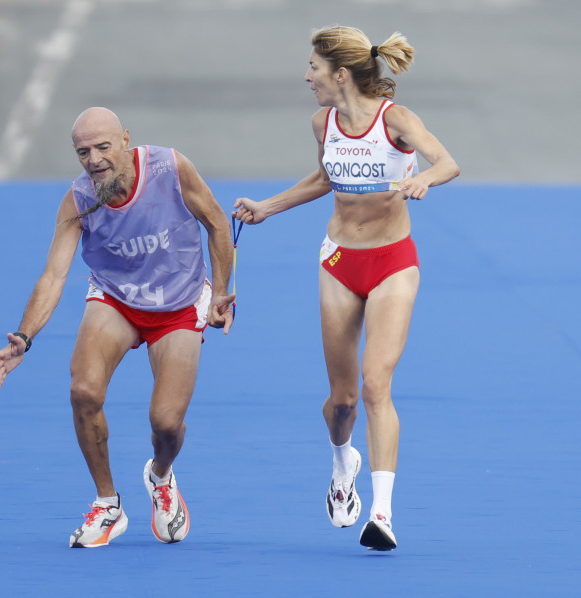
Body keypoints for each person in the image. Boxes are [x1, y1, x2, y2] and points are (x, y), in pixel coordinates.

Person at [233, 26, 459, 550]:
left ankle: (381, 514)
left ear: (340, 74)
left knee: (377, 383)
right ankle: (343, 461)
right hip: (337, 262)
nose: (307, 76)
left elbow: (447, 161)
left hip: (393, 262)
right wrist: (268, 207)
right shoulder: (323, 123)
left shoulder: (395, 121)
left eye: (313, 67)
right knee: (343, 400)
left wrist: (426, 179)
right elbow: (323, 179)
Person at [0, 107, 235, 548]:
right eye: (83, 152)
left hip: (179, 303)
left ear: (125, 140)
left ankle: (160, 476)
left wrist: (220, 294)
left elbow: (217, 223)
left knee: (166, 423)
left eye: (103, 147)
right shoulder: (79, 199)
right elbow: (54, 275)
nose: (94, 159)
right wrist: (24, 337)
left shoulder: (170, 168)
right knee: (83, 390)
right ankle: (108, 504)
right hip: (116, 299)